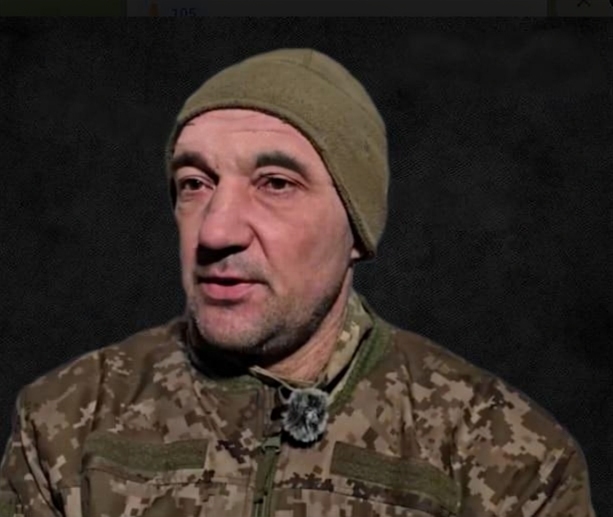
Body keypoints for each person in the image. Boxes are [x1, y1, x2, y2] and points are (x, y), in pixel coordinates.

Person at [0, 48, 596, 517]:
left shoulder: (506, 455)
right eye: (195, 183)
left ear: (357, 231)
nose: (217, 231)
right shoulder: (67, 422)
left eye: (276, 184)